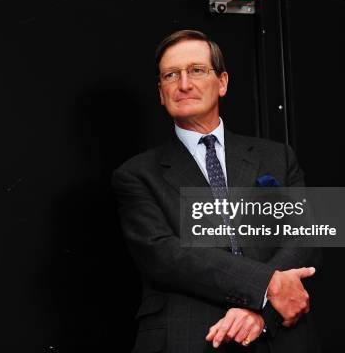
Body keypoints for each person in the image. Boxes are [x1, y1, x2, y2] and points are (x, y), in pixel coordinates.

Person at [112, 30, 321, 352]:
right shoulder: (136, 174)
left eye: (196, 70)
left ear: (222, 82)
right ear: (160, 91)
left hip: (278, 334)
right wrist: (266, 286)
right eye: (171, 75)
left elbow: (303, 236)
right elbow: (165, 255)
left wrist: (261, 311)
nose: (184, 84)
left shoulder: (276, 157)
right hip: (188, 338)